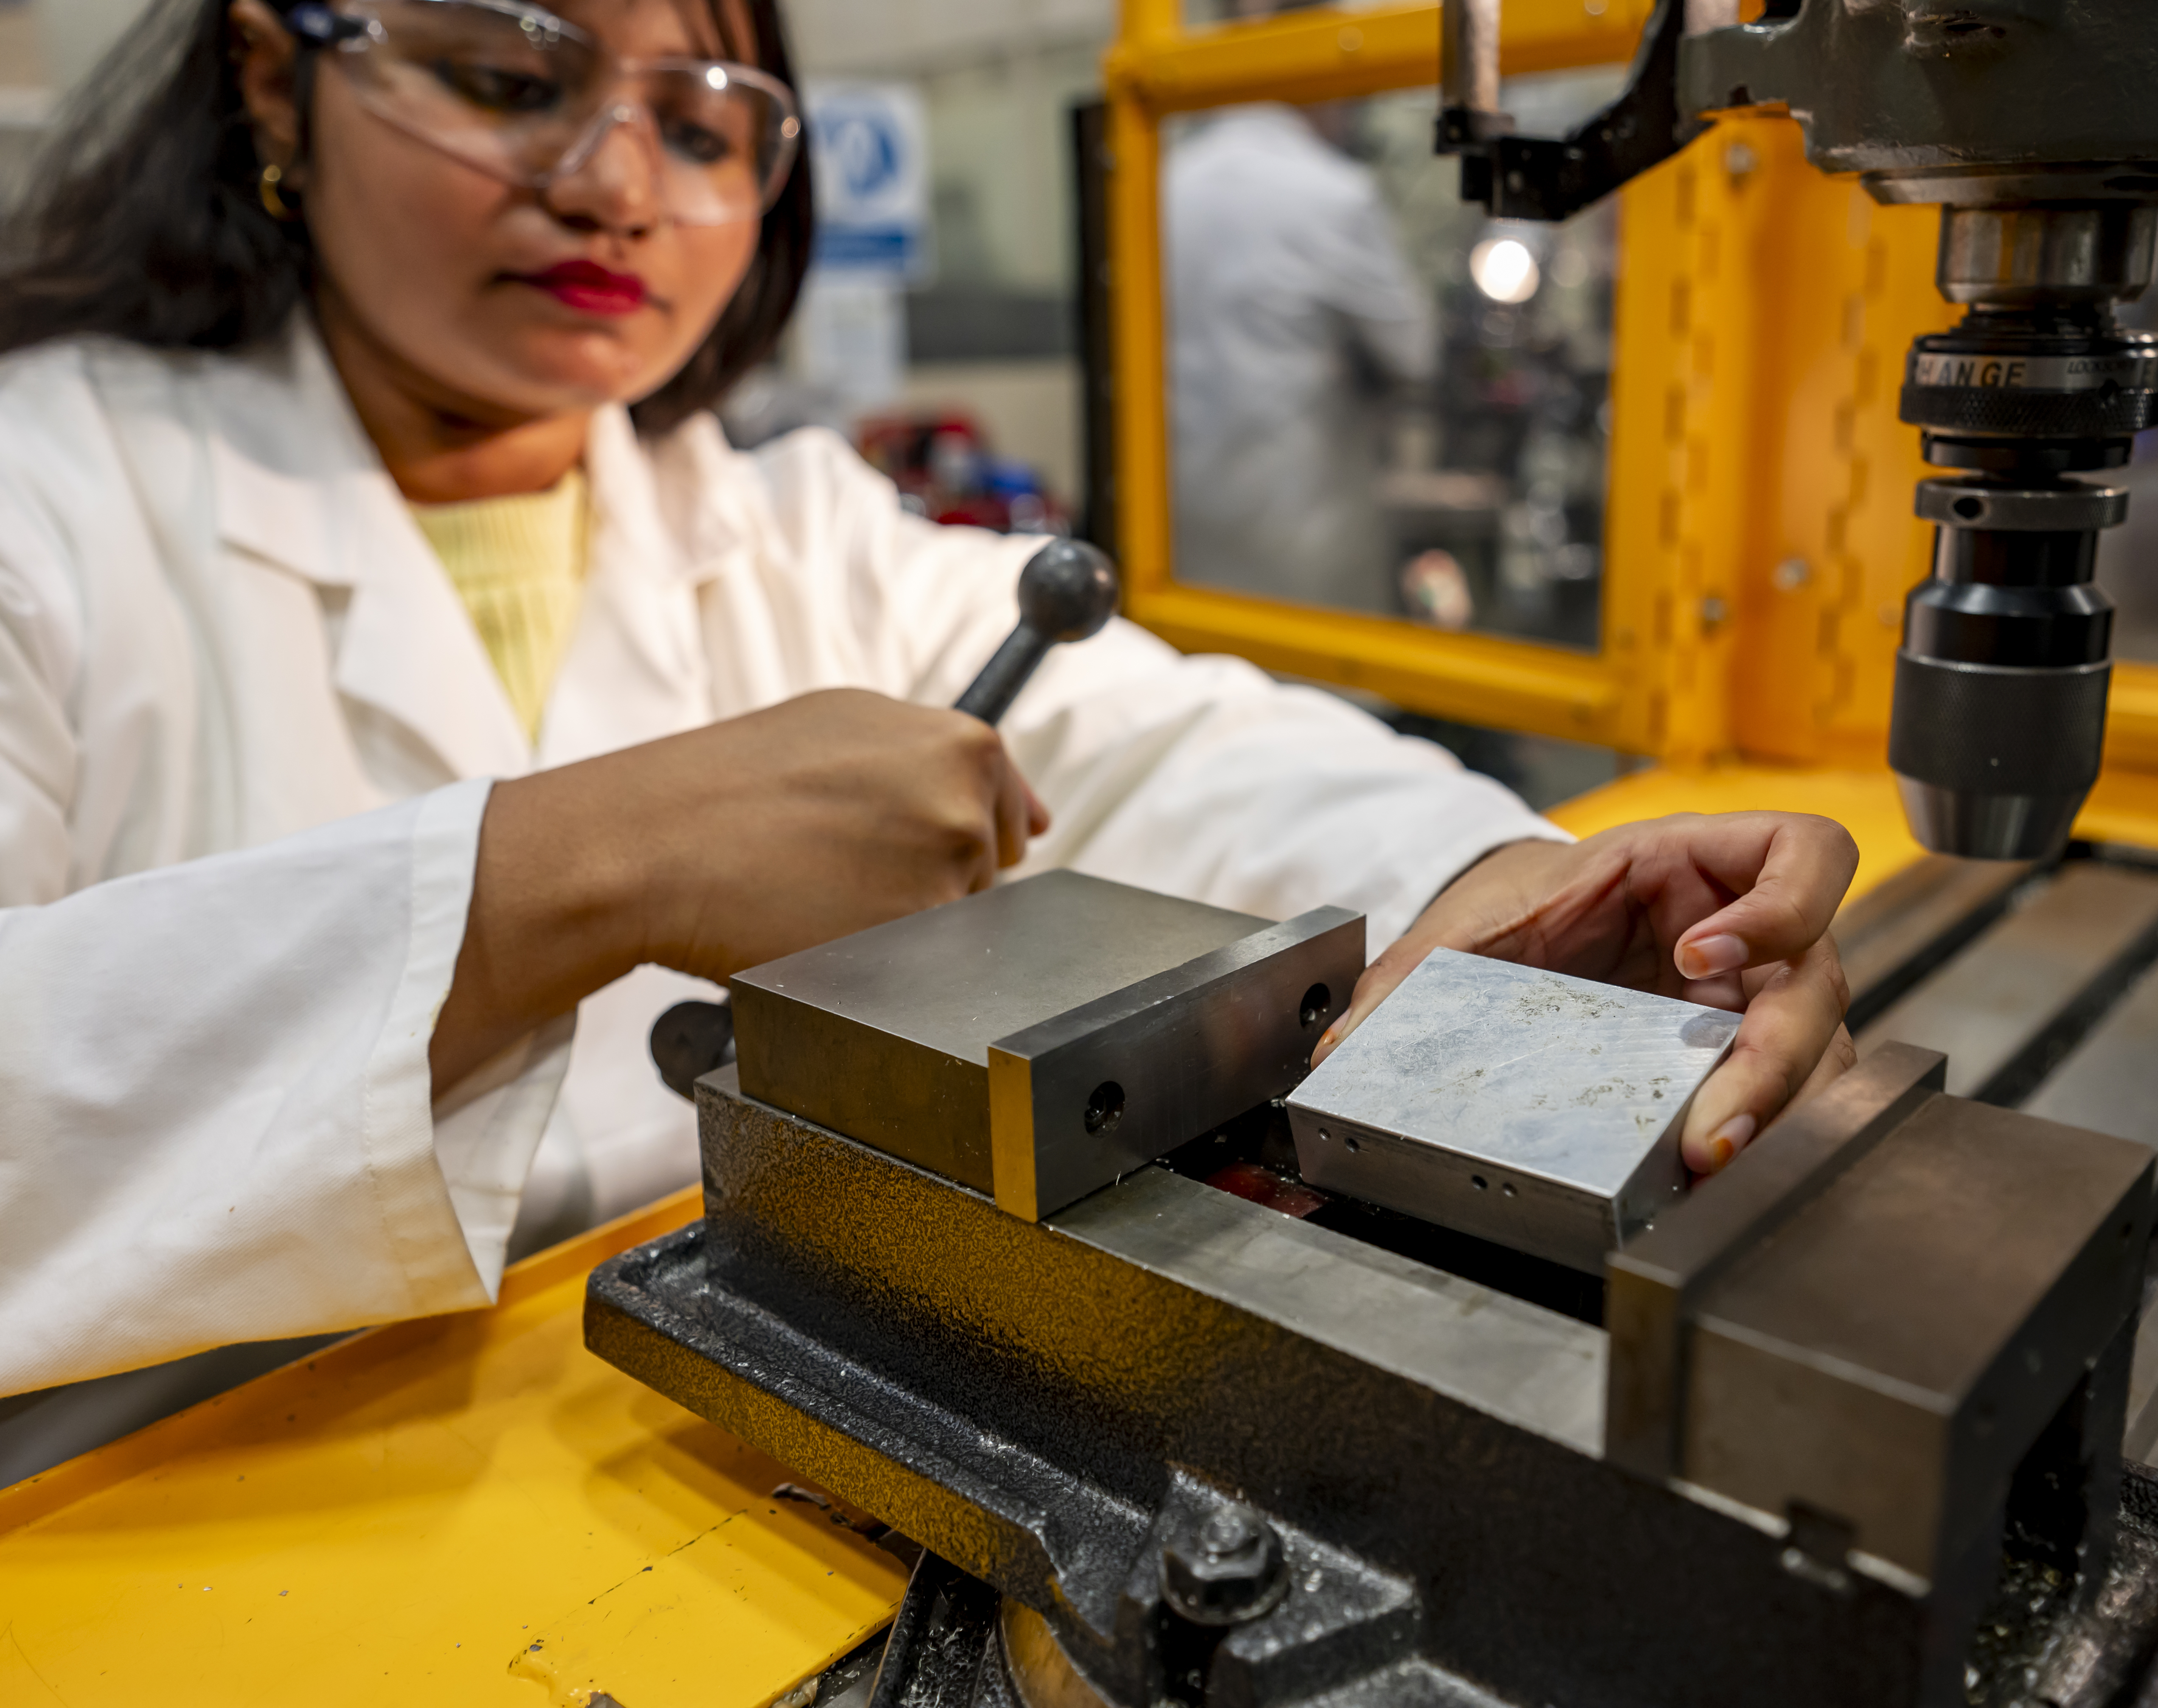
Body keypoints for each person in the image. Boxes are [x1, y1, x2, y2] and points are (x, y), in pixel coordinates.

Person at [0, 0, 1859, 1416]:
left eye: (707, 120)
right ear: (270, 81)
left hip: (704, 1437)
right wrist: (554, 871)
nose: (617, 185)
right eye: (511, 74)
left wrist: (1521, 892)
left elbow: (1171, 747)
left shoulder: (785, 529)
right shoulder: (48, 501)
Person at [1164, 95, 1431, 615]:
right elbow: (1414, 353)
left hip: (1181, 525)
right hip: (1300, 525)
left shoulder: (1166, 182)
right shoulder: (1335, 193)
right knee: (1313, 689)